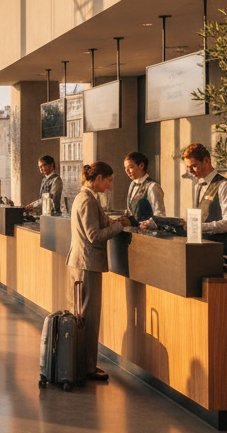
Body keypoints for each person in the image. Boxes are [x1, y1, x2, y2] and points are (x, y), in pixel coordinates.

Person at [66, 162, 131, 383]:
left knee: (83, 316)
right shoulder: (87, 200)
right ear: (99, 178)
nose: (110, 185)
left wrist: (113, 222)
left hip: (82, 263)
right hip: (88, 264)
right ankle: (87, 368)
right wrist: (119, 227)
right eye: (109, 180)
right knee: (88, 318)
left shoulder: (86, 198)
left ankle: (83, 364)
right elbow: (94, 235)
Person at [181, 142, 227, 257]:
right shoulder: (198, 186)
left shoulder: (224, 185)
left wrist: (200, 227)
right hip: (203, 249)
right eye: (188, 167)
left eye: (194, 166)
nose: (190, 171)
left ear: (206, 161)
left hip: (221, 251)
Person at [123, 151, 166, 223]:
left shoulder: (152, 187)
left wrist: (144, 224)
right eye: (125, 168)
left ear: (141, 166)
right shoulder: (132, 185)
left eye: (130, 167)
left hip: (147, 233)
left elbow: (159, 216)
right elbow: (131, 211)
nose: (127, 171)